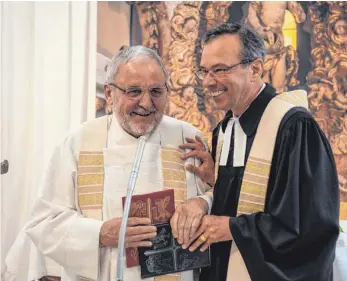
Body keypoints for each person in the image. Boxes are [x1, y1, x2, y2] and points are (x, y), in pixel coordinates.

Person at [24, 46, 212, 281]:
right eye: (134, 91)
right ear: (110, 94)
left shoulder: (187, 137)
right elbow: (44, 222)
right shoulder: (78, 143)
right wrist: (101, 233)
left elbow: (220, 197)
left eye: (156, 91)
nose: (146, 103)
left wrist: (202, 202)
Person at [174, 23, 340, 281]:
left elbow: (311, 226)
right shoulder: (224, 130)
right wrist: (215, 181)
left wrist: (232, 228)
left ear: (255, 68)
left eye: (219, 70)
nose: (208, 82)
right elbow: (240, 199)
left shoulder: (294, 127)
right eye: (204, 71)